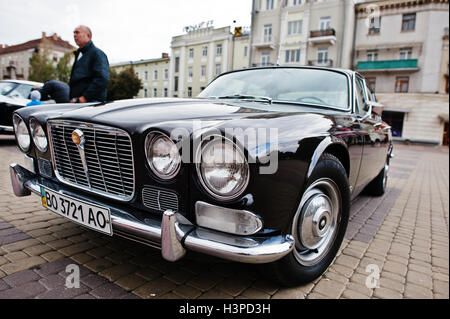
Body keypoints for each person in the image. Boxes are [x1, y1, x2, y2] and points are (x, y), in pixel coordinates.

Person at [69, 25, 109, 103]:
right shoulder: (79, 55)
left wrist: (85, 97)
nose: (74, 35)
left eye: (77, 32)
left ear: (88, 35)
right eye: (74, 33)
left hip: (92, 103)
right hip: (78, 103)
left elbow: (102, 79)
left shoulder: (97, 54)